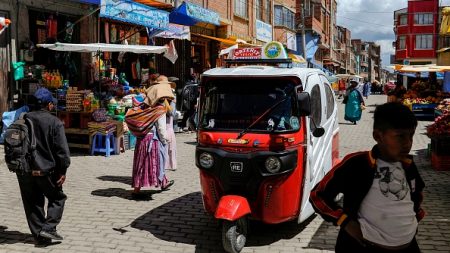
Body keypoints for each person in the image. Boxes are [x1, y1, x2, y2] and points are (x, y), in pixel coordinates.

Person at [310, 102, 425, 253]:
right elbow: (318, 195)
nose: (408, 143)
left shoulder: (408, 165)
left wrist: (414, 220)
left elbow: (417, 195)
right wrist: (345, 221)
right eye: (400, 136)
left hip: (409, 246)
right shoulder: (356, 164)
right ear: (378, 136)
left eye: (411, 135)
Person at [17, 87, 70, 246]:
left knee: (32, 203)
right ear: (48, 105)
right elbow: (62, 152)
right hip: (46, 170)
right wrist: (63, 170)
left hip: (24, 170)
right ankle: (49, 228)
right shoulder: (54, 122)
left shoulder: (22, 119)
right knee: (57, 198)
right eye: (52, 104)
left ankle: (39, 235)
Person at [131, 75, 175, 198]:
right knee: (155, 162)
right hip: (152, 140)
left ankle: (137, 188)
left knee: (140, 163)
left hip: (141, 139)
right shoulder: (159, 109)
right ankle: (159, 182)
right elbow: (161, 129)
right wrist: (165, 140)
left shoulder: (145, 106)